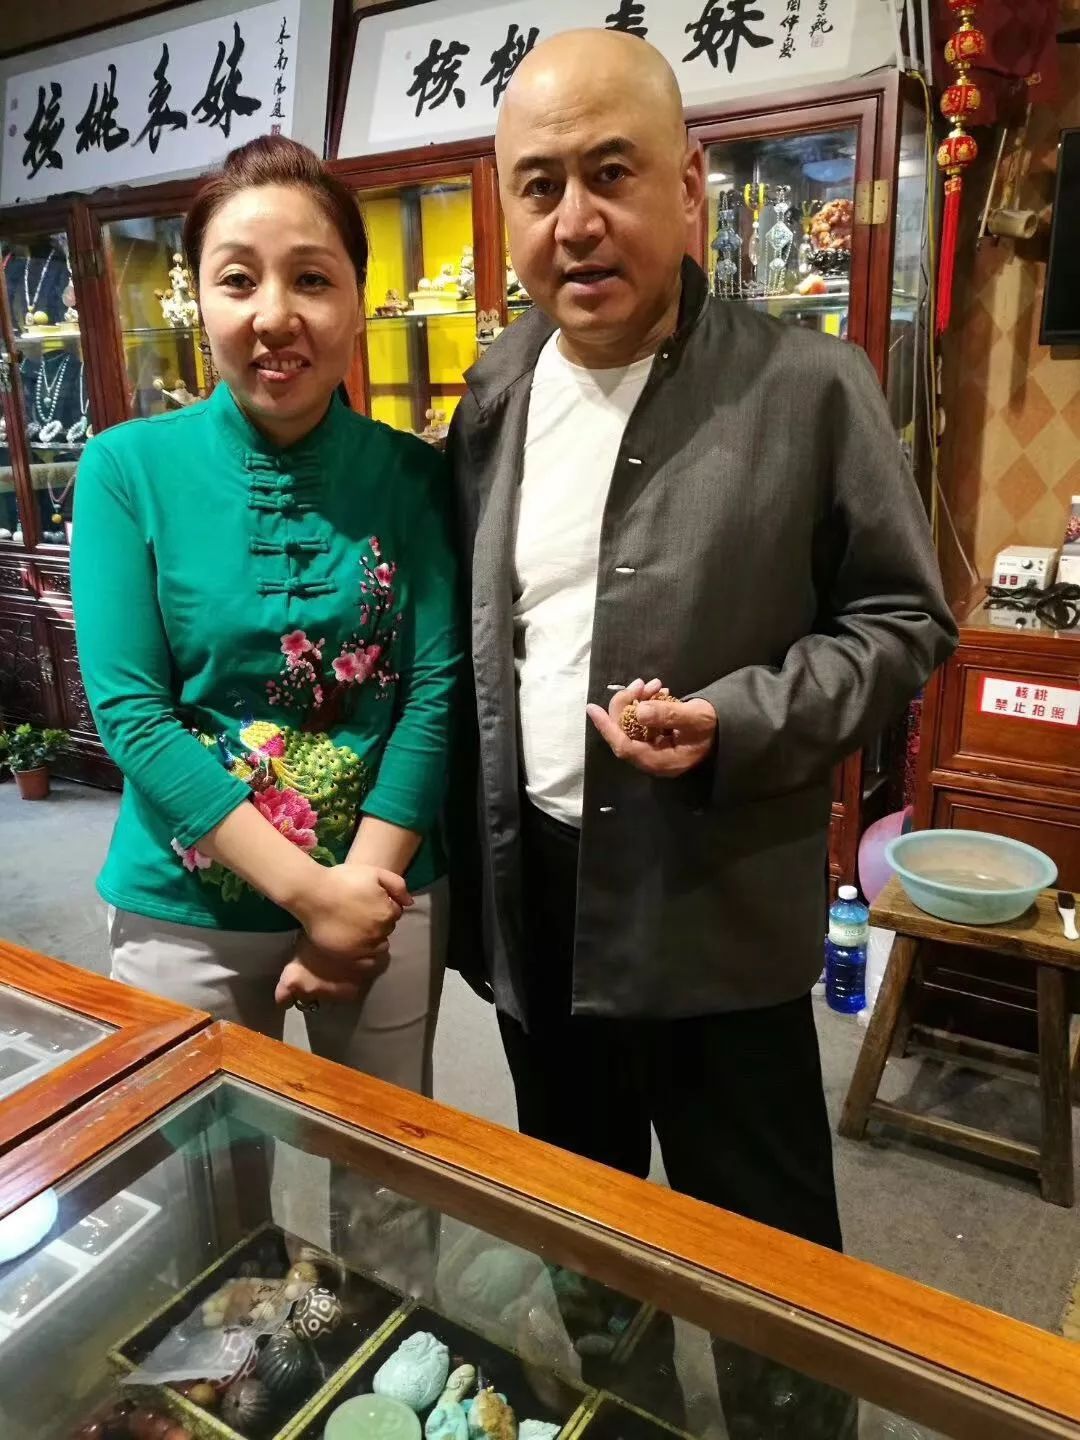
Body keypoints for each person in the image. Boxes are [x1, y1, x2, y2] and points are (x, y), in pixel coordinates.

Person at [447, 29, 957, 1434]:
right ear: (509, 211)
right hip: (539, 897)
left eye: (612, 173)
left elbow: (903, 621)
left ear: (690, 188)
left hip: (717, 899)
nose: (576, 220)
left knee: (771, 1265)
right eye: (540, 185)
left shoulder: (809, 386)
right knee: (587, 1230)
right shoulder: (495, 390)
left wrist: (736, 719)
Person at [71, 136, 459, 1100]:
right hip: (184, 902)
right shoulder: (124, 470)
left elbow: (435, 692)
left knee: (387, 1161)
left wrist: (353, 901)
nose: (274, 315)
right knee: (196, 1171)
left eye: (312, 279)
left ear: (358, 300)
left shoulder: (417, 477)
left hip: (383, 888)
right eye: (238, 279)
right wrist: (313, 896)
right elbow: (131, 713)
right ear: (198, 301)